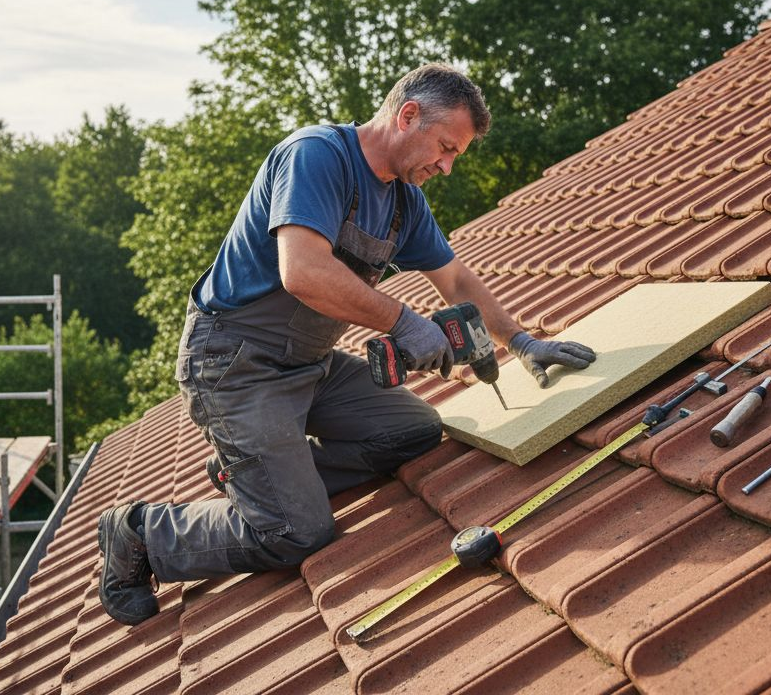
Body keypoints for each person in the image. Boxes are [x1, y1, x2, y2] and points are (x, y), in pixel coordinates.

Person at [97, 63, 597, 625]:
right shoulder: (317, 156)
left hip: (308, 365)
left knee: (413, 431)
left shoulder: (405, 202)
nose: (448, 166)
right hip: (235, 366)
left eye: (456, 155)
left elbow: (455, 280)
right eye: (445, 147)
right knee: (295, 533)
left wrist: (522, 342)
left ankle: (265, 472)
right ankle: (139, 533)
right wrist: (406, 324)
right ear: (408, 115)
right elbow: (303, 272)